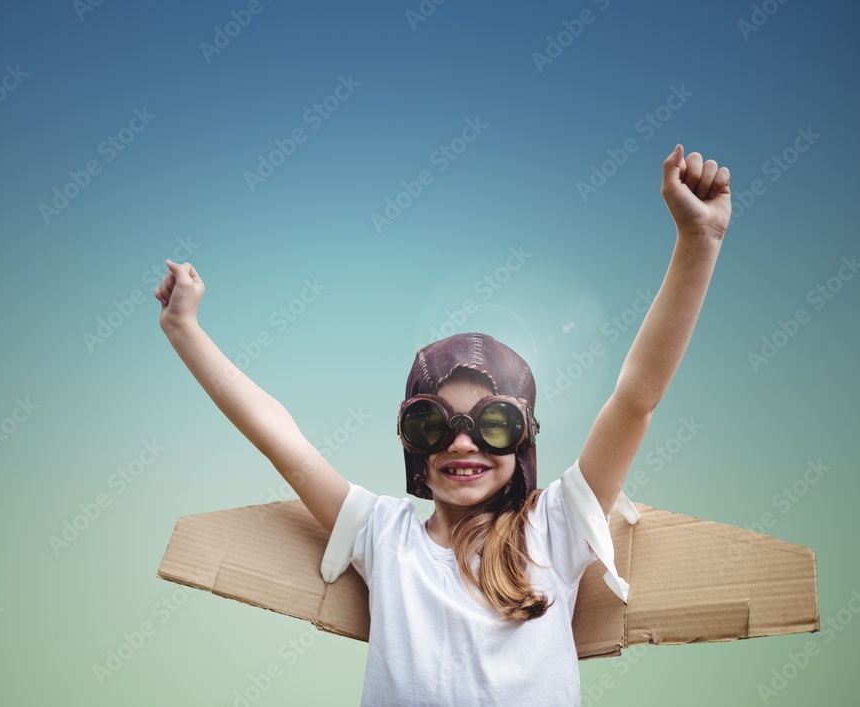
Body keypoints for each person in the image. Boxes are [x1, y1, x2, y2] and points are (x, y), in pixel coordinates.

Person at [155, 144, 732, 706]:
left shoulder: (554, 530)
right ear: (412, 442)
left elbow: (635, 399)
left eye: (495, 424)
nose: (462, 441)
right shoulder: (384, 536)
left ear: (525, 440)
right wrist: (185, 330)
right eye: (433, 423)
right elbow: (283, 442)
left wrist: (697, 242)